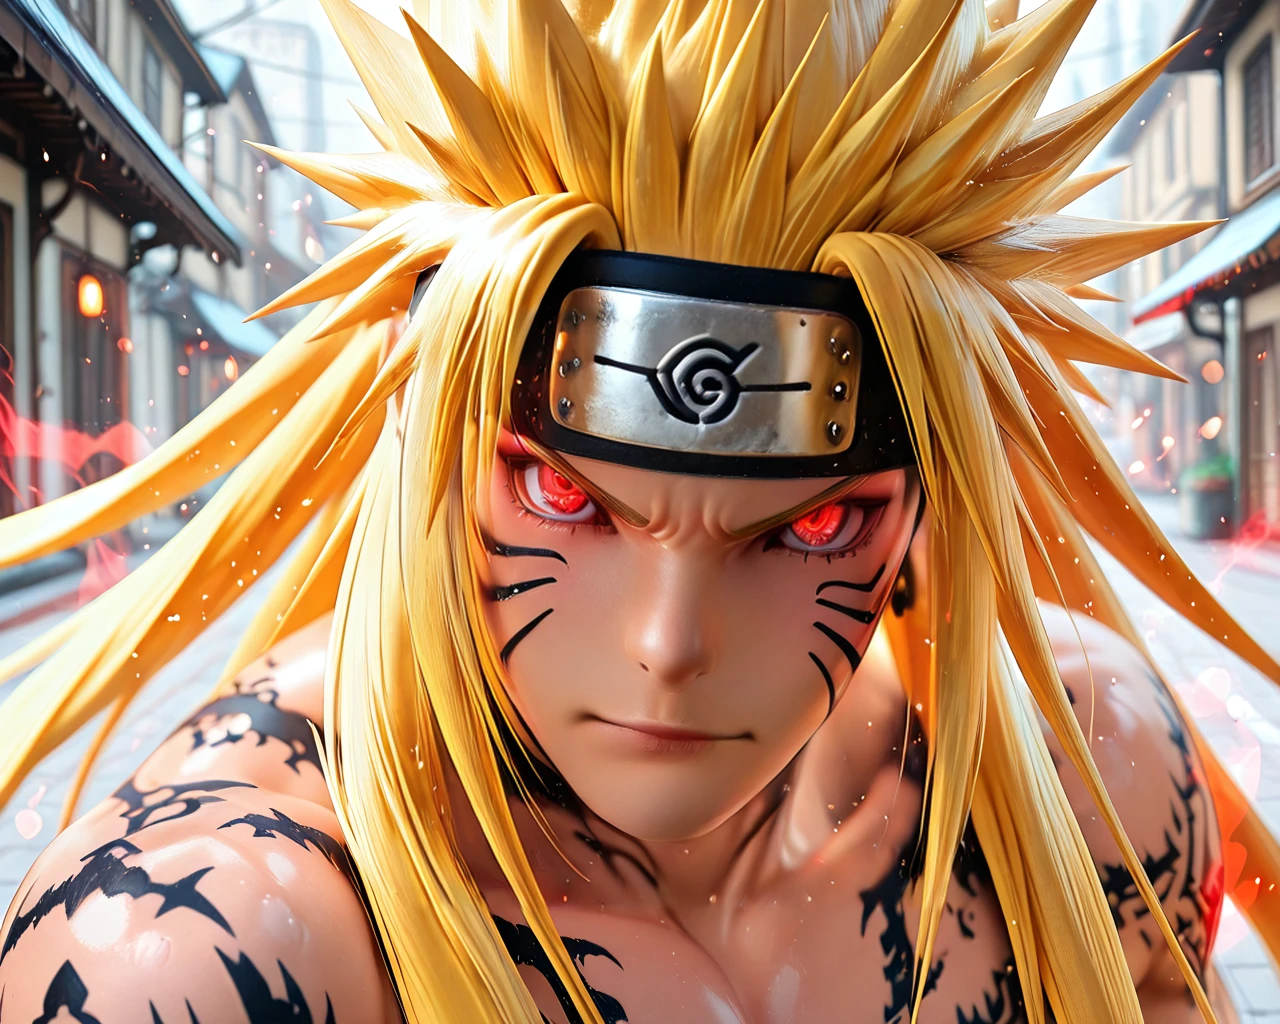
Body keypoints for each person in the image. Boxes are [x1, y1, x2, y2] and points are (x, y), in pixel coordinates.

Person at [1, 0, 1278, 1020]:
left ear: (924, 506)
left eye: (809, 527)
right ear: (422, 446)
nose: (669, 641)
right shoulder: (203, 943)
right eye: (565, 492)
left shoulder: (1093, 779)